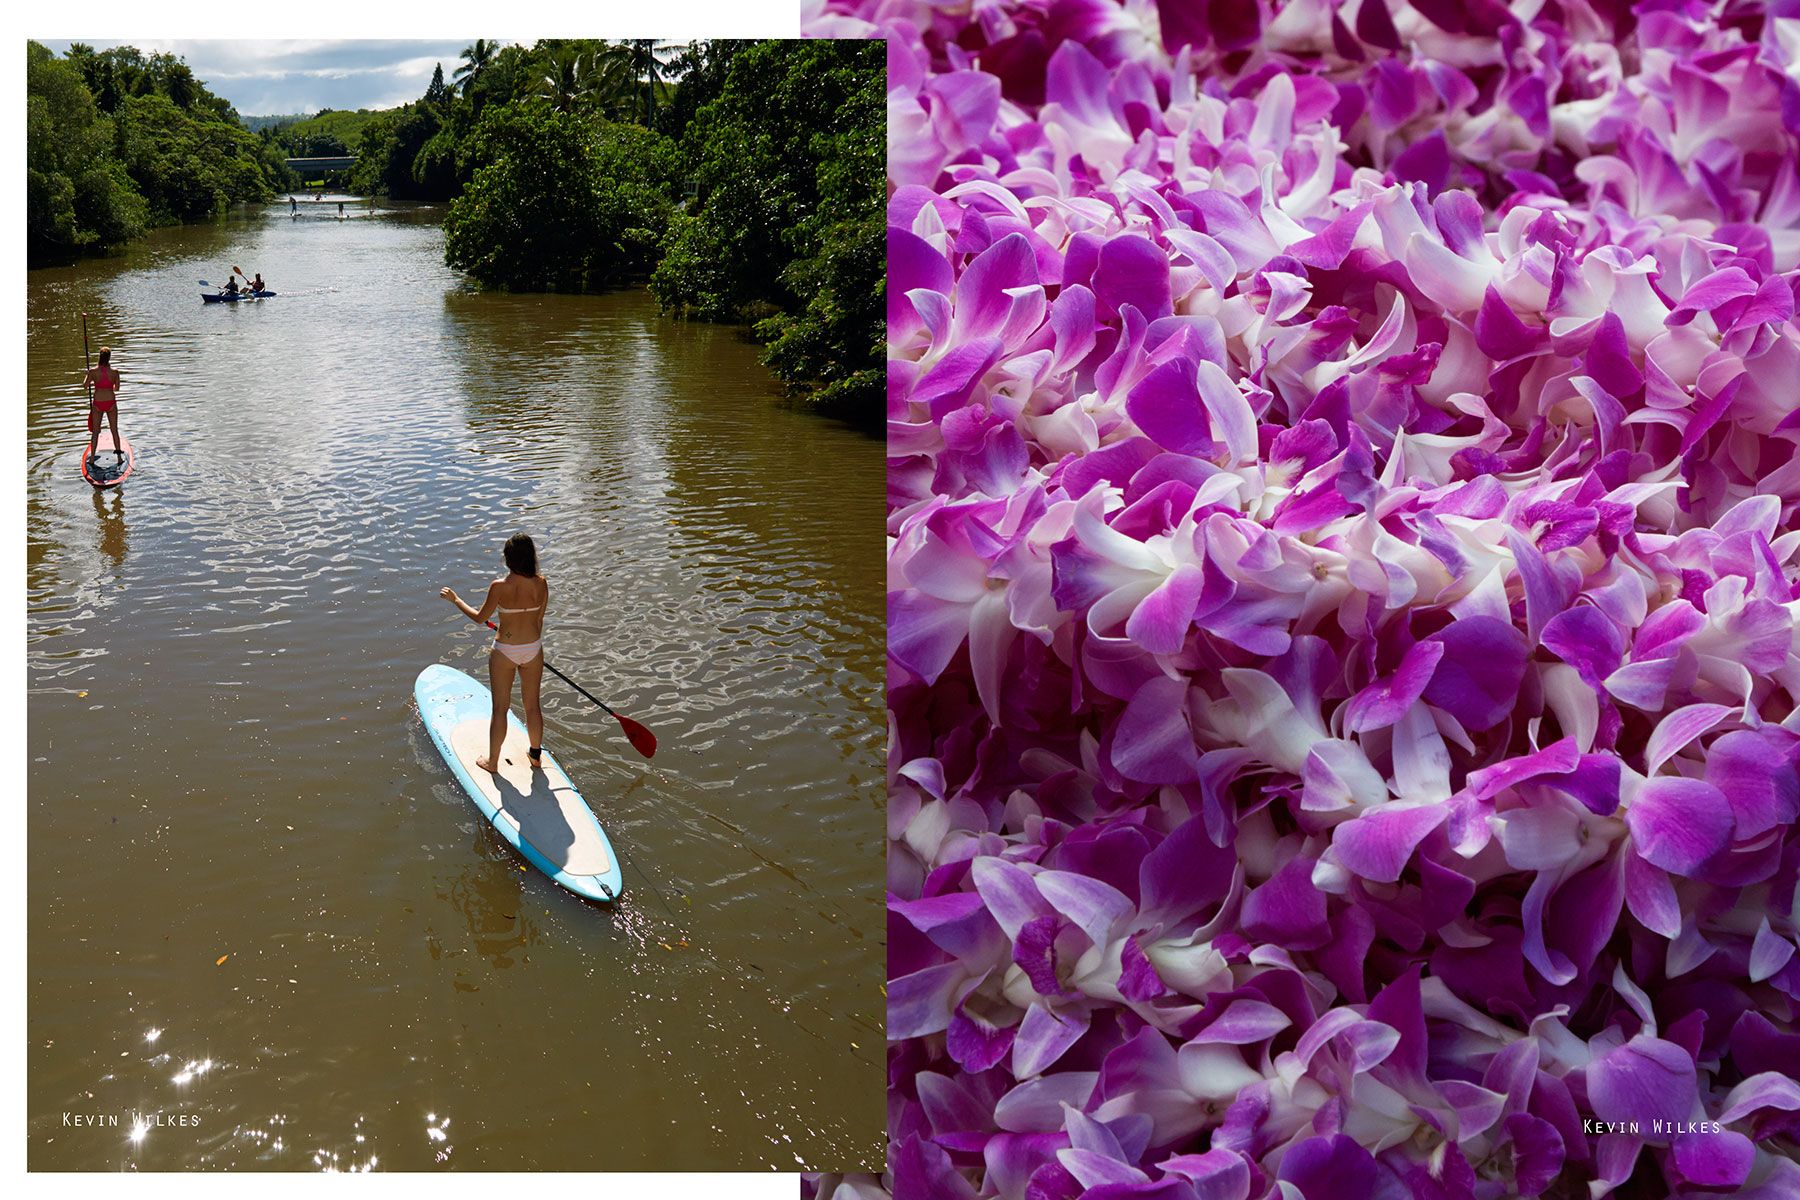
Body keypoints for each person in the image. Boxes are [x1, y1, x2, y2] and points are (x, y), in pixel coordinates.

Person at [440, 534, 550, 774]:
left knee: (500, 707)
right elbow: (538, 621)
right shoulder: (541, 583)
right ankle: (535, 756)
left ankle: (492, 763)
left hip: (505, 652)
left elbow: (480, 618)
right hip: (533, 649)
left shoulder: (499, 587)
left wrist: (456, 599)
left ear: (508, 559)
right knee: (533, 706)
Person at [83, 347, 122, 463]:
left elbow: (85, 386)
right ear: (109, 357)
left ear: (99, 357)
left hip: (97, 404)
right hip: (110, 403)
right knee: (114, 430)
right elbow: (117, 388)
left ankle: (92, 460)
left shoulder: (93, 372)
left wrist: (87, 375)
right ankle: (119, 458)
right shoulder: (115, 372)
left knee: (95, 432)